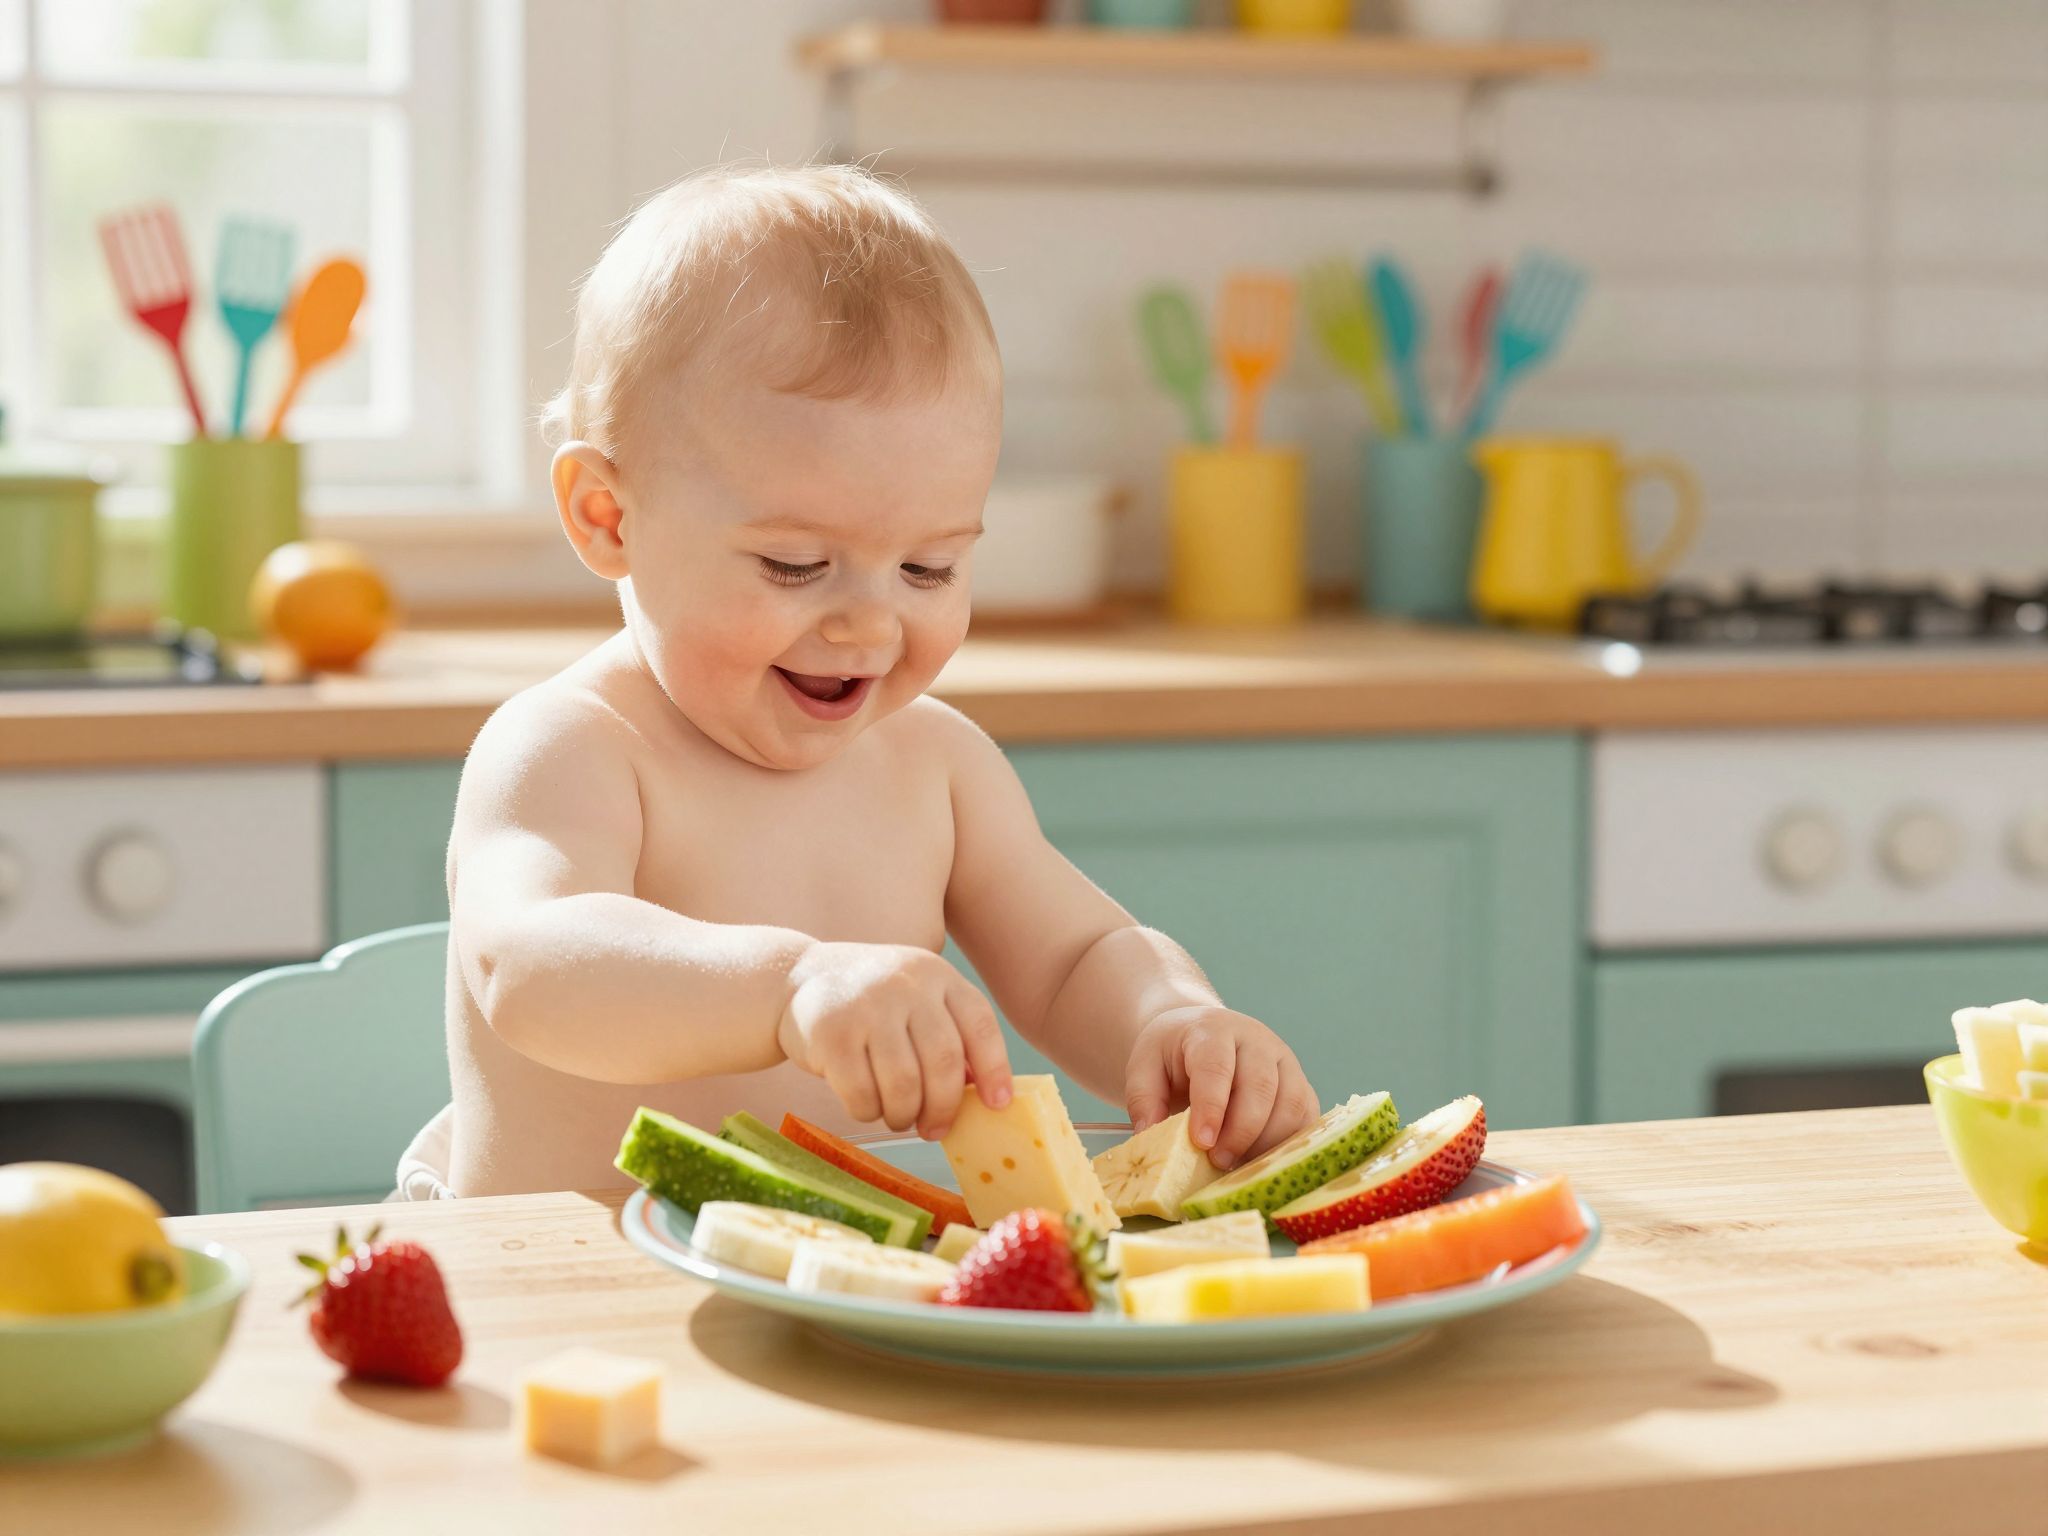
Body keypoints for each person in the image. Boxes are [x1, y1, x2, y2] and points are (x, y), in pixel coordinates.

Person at [407, 164, 1317, 1199]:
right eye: (796, 565)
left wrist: (1172, 1021)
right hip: (566, 1295)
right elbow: (526, 967)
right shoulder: (572, 745)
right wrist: (790, 983)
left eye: (929, 567)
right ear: (607, 517)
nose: (871, 623)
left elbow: (1076, 957)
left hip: (831, 1307)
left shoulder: (936, 764)